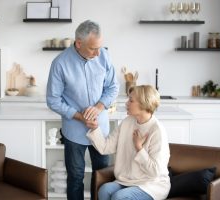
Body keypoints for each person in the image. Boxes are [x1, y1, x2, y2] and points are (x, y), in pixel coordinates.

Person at [46, 20, 119, 200]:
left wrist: (99, 107)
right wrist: (79, 116)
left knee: (102, 177)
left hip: (100, 130)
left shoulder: (104, 56)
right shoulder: (60, 63)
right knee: (75, 178)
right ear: (79, 43)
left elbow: (113, 87)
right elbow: (52, 100)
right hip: (74, 132)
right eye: (93, 48)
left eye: (100, 47)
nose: (98, 52)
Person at [87, 85, 170, 200]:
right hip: (127, 181)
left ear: (144, 104)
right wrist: (95, 128)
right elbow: (105, 148)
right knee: (104, 190)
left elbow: (155, 172)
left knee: (119, 197)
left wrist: (139, 148)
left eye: (131, 100)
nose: (126, 103)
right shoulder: (127, 122)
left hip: (151, 185)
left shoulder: (157, 130)